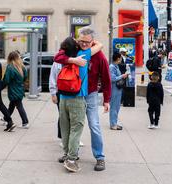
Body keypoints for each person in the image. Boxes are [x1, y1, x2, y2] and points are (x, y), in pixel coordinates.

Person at [54, 26, 111, 171]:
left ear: (93, 41)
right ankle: (70, 155)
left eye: (87, 41)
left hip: (90, 95)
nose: (83, 44)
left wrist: (107, 100)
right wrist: (72, 59)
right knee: (69, 126)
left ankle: (100, 157)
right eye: (81, 41)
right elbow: (58, 57)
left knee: (94, 125)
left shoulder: (99, 56)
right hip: (73, 95)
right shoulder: (74, 50)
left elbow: (106, 78)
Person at [0, 51, 29, 128]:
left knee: (19, 106)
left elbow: (6, 80)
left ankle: (25, 122)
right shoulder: (22, 66)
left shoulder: (10, 67)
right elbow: (25, 77)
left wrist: (0, 87)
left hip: (13, 90)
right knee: (12, 105)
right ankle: (6, 118)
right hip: (20, 89)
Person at [109, 52, 128, 130]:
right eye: (120, 58)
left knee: (117, 107)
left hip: (118, 89)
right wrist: (122, 76)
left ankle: (114, 122)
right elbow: (112, 78)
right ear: (118, 58)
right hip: (114, 89)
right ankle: (113, 124)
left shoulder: (116, 66)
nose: (121, 59)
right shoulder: (112, 67)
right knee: (114, 107)